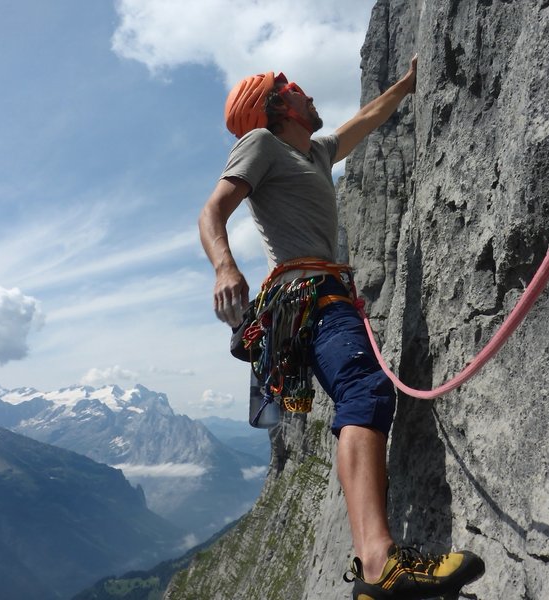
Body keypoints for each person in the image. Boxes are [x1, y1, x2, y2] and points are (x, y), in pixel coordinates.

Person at [199, 56, 485, 599]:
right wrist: (223, 265)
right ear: (276, 107)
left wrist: (405, 84)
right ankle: (378, 563)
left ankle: (375, 567)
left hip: (325, 298)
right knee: (363, 389)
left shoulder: (315, 152)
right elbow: (212, 211)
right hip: (308, 299)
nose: (306, 92)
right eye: (292, 88)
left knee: (363, 390)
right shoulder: (261, 145)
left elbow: (367, 118)